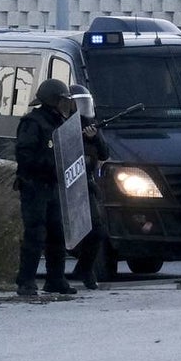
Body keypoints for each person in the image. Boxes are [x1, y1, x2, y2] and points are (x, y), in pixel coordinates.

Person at [13, 78, 77, 297]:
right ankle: (26, 281)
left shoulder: (59, 122)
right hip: (35, 187)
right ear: (52, 100)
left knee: (57, 233)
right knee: (36, 234)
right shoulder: (33, 123)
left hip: (54, 186)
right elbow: (25, 156)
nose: (65, 105)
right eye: (62, 100)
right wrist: (51, 164)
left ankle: (55, 279)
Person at [68, 84, 110, 290]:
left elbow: (104, 153)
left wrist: (93, 138)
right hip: (64, 186)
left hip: (86, 185)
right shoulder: (61, 124)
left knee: (97, 230)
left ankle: (85, 268)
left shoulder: (90, 126)